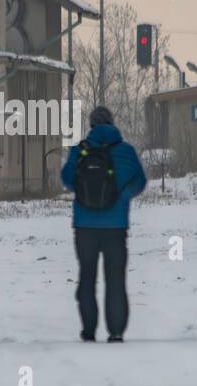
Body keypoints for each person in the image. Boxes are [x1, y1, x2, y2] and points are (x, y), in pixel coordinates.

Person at [61, 106, 147, 342]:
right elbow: (140, 182)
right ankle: (116, 331)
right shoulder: (127, 151)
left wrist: (85, 192)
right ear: (112, 122)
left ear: (91, 125)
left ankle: (89, 330)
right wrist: (121, 195)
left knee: (87, 277)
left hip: (85, 226)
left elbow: (67, 179)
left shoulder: (79, 150)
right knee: (115, 279)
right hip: (116, 227)